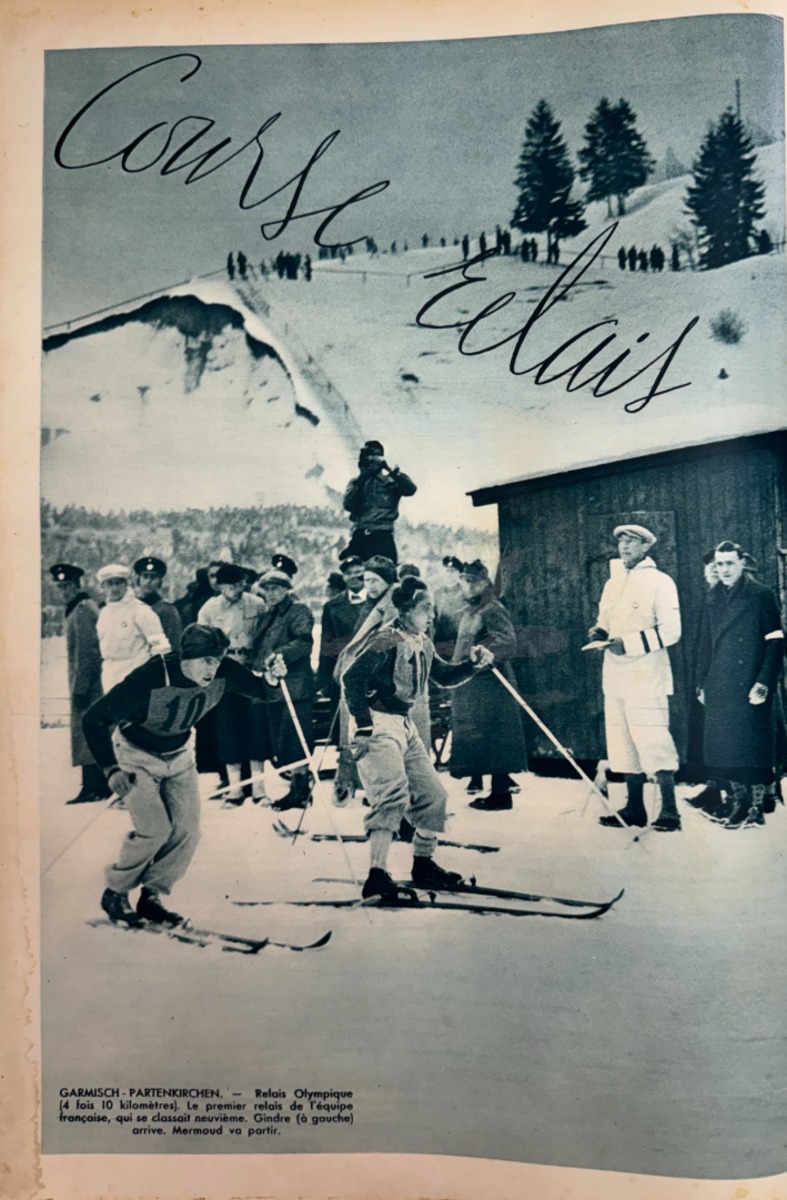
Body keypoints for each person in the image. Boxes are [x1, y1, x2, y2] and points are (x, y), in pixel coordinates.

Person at [83, 624, 287, 927]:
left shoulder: (223, 671)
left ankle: (152, 895)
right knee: (155, 829)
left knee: (188, 830)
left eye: (218, 660)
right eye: (206, 660)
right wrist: (110, 769)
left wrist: (271, 678)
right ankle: (115, 891)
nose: (213, 668)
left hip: (179, 756)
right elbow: (94, 719)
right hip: (136, 757)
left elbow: (262, 691)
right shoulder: (152, 676)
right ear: (186, 658)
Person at [342, 576, 494, 899]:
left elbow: (442, 675)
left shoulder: (421, 640)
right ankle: (377, 874)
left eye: (433, 609)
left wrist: (473, 666)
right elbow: (351, 678)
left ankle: (423, 864)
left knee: (433, 795)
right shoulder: (385, 639)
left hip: (403, 724)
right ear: (407, 609)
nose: (432, 615)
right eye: (426, 609)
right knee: (392, 797)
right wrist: (363, 725)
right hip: (378, 725)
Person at [588, 524, 682, 832]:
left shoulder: (660, 582)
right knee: (622, 741)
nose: (625, 547)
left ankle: (669, 810)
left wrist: (628, 643)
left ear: (646, 547)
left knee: (653, 738)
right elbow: (606, 618)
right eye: (621, 542)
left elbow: (671, 631)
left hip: (646, 673)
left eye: (632, 542)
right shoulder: (612, 583)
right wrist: (600, 632)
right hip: (615, 673)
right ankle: (634, 808)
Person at [694, 541, 784, 829]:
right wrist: (701, 682)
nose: (724, 570)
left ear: (742, 563)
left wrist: (764, 682)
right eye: (719, 564)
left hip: (750, 683)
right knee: (726, 747)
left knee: (753, 747)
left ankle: (758, 806)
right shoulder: (712, 597)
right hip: (720, 683)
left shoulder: (760, 595)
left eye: (730, 563)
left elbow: (775, 641)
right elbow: (705, 644)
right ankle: (739, 802)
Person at [449, 560, 528, 811]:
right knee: (479, 737)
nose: (468, 585)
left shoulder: (492, 609)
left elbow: (507, 642)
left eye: (473, 580)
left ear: (485, 583)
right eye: (464, 579)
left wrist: (487, 651)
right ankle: (493, 788)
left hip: (490, 686)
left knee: (495, 737)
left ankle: (501, 795)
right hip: (470, 686)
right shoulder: (469, 610)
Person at [197, 563, 268, 806]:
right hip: (225, 671)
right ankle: (234, 790)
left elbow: (266, 635)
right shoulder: (209, 608)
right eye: (230, 585)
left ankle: (259, 789)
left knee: (257, 728)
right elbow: (203, 644)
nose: (236, 590)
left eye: (239, 585)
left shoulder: (256, 604)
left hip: (251, 668)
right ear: (220, 586)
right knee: (228, 730)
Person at [252, 555, 316, 811]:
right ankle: (297, 788)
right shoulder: (269, 615)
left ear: (287, 589)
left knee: (295, 741)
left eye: (276, 588)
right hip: (272, 689)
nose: (271, 593)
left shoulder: (298, 611)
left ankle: (300, 792)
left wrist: (281, 655)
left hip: (295, 688)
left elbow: (304, 641)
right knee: (282, 743)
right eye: (267, 589)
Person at [49, 563, 111, 804]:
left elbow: (87, 653)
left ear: (77, 586)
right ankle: (94, 785)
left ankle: (95, 787)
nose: (64, 591)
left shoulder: (83, 610)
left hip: (90, 685)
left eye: (67, 586)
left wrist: (81, 688)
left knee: (87, 733)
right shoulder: (78, 608)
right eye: (60, 587)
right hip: (87, 683)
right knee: (88, 733)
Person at [95, 564, 171, 692]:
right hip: (110, 677)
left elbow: (161, 648)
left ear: (126, 584)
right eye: (110, 584)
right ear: (103, 587)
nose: (114, 588)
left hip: (136, 676)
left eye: (118, 583)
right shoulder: (104, 613)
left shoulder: (141, 610)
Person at [341, 440, 417, 565]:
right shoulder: (356, 482)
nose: (370, 460)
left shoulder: (391, 481)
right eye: (367, 456)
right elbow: (349, 505)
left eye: (374, 456)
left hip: (382, 537)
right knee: (351, 572)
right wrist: (364, 476)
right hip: (360, 535)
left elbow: (411, 490)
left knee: (385, 572)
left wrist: (390, 469)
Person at [134, 556, 182, 653]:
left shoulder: (167, 610)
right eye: (145, 576)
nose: (149, 581)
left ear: (160, 582)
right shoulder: (132, 608)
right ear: (139, 580)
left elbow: (174, 644)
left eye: (153, 577)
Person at [432, 555, 465, 660]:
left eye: (453, 571)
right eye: (447, 571)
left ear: (459, 573)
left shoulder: (465, 593)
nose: (449, 574)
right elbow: (434, 617)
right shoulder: (437, 593)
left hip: (459, 640)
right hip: (441, 640)